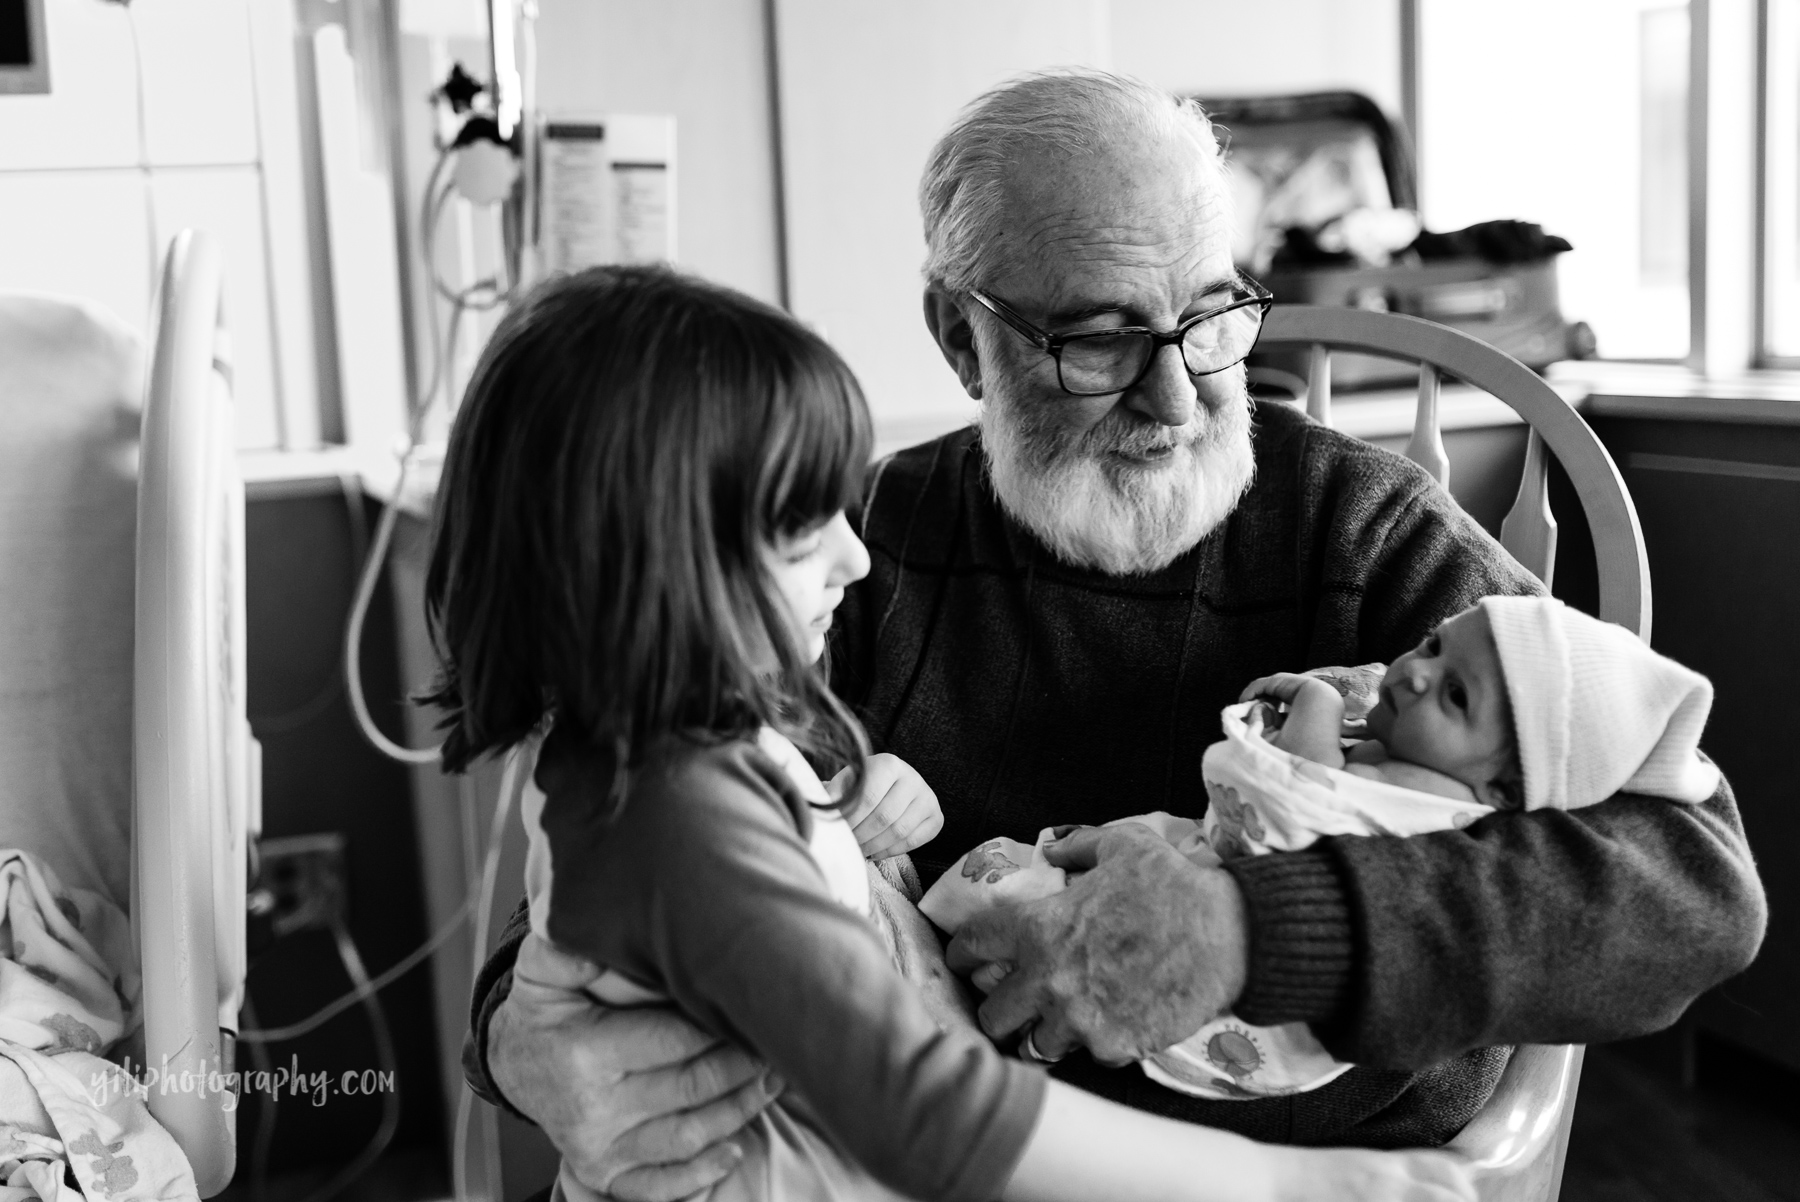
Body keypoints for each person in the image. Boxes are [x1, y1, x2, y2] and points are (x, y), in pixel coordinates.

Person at [462, 69, 1766, 1200]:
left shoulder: (1359, 529)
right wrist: (517, 1045)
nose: (1176, 394)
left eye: (1209, 317)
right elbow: (650, 867)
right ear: (960, 340)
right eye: (1097, 340)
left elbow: (1691, 888)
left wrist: (1261, 927)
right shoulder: (846, 552)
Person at [425, 265, 1471, 1202]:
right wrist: (1298, 1185)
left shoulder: (663, 746)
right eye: (800, 529)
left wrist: (858, 834)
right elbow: (928, 1112)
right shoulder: (678, 801)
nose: (855, 558)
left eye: (1207, 315)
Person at [919, 595, 1722, 1100]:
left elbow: (1697, 902)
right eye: (1434, 646)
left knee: (1036, 887)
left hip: (1268, 1047)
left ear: (1506, 792)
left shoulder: (1455, 758)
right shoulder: (1447, 727)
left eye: (1454, 693)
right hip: (1164, 892)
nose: (1413, 674)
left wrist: (1317, 699)